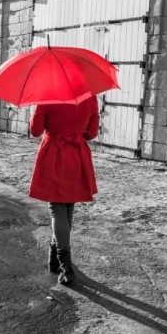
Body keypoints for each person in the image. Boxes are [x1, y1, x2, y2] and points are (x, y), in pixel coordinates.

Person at [28, 96, 100, 285]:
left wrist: (38, 111)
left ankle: (65, 264)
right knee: (68, 205)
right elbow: (91, 133)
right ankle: (54, 258)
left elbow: (35, 131)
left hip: (53, 154)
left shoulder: (47, 97)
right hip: (77, 155)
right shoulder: (89, 97)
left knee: (57, 207)